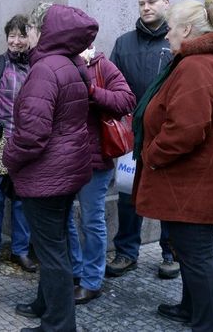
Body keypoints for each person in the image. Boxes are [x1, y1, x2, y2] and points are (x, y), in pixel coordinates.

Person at [5, 2, 97, 332]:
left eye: (30, 28)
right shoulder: (70, 64)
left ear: (44, 31)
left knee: (52, 252)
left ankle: (57, 325)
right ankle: (44, 305)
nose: (27, 34)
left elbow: (32, 134)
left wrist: (8, 158)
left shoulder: (46, 69)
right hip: (65, 171)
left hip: (47, 175)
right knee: (54, 245)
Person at [133, 0, 213, 332]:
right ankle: (190, 308)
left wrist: (151, 155)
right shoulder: (196, 62)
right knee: (191, 251)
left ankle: (206, 322)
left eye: (171, 27)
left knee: (197, 256)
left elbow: (186, 129)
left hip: (192, 184)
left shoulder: (196, 66)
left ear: (185, 30)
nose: (167, 33)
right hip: (192, 182)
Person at [107, 0, 178, 279]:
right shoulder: (123, 44)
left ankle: (171, 253)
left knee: (169, 196)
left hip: (167, 134)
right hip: (132, 137)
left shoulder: (176, 43)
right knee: (127, 196)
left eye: (151, 2)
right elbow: (113, 85)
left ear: (166, 3)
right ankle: (126, 252)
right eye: (141, 3)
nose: (146, 7)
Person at [67, 45, 136, 305]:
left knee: (91, 220)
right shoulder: (59, 62)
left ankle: (92, 280)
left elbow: (126, 100)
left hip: (96, 160)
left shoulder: (101, 65)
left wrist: (92, 90)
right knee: (63, 218)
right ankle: (75, 269)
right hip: (64, 158)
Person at [0, 14, 36, 274]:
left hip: (25, 142)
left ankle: (20, 250)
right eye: (12, 35)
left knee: (22, 199)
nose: (16, 41)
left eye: (21, 35)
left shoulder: (37, 67)